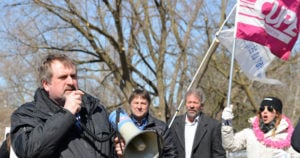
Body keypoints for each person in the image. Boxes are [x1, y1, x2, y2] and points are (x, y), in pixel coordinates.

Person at [10, 54, 116, 158]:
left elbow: (110, 149)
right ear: (46, 84)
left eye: (73, 76)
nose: (70, 81)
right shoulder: (26, 114)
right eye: (63, 77)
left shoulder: (96, 110)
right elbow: (29, 151)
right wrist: (67, 113)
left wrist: (119, 153)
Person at [221, 96, 300, 158]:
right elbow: (229, 145)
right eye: (262, 109)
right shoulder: (250, 133)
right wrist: (227, 123)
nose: (265, 111)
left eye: (270, 109)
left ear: (277, 113)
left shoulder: (288, 136)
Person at [114, 88, 178, 158]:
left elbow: (172, 154)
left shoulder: (161, 127)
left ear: (148, 105)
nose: (139, 107)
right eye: (136, 103)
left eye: (143, 103)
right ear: (130, 105)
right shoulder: (120, 127)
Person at [168, 88, 226, 158]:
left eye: (195, 103)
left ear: (201, 106)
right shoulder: (172, 124)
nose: (192, 106)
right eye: (189, 102)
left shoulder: (213, 126)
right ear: (185, 104)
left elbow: (219, 155)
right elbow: (167, 151)